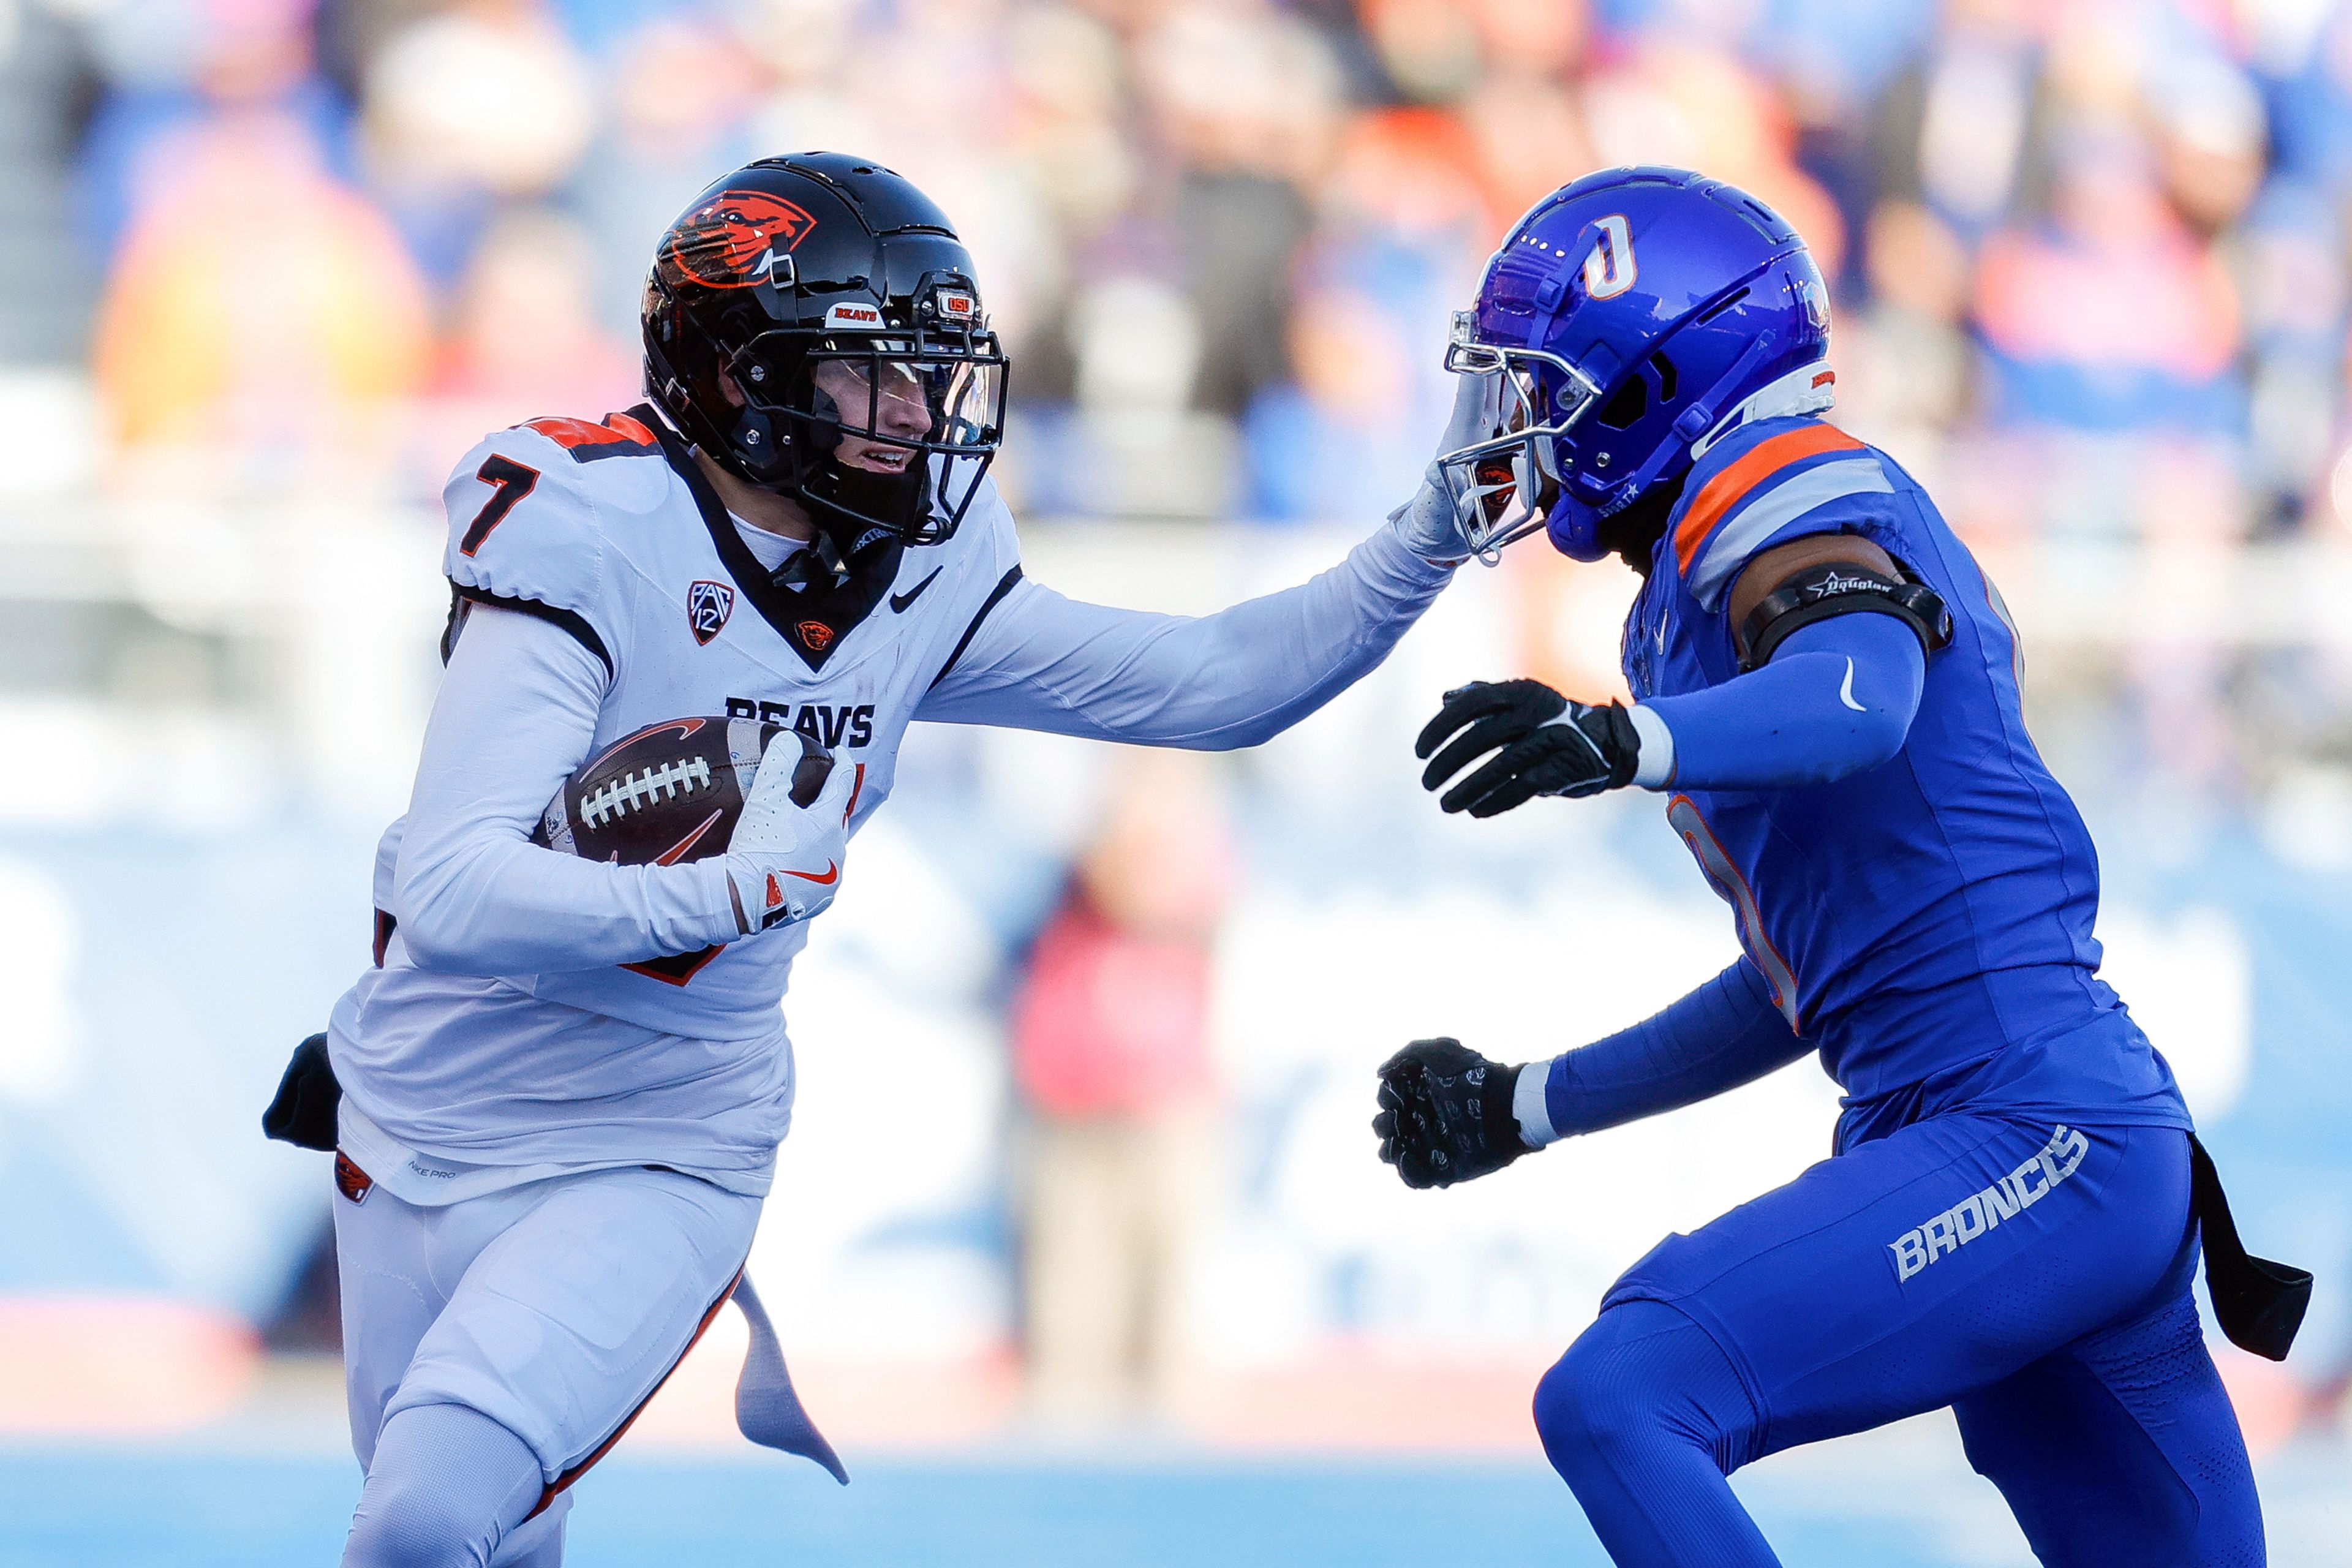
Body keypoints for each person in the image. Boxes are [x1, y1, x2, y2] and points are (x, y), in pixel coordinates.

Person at [265, 153, 1487, 1567]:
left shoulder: (922, 561)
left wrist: (1433, 531)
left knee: (419, 1523)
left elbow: (1212, 681)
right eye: (869, 371)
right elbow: (458, 892)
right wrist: (727, 887)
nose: (919, 411)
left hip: (656, 1140)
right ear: (734, 372)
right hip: (421, 1111)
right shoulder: (594, 524)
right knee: (489, 1540)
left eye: (934, 371)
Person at [1371, 165, 2306, 1568]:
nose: (1521, 423)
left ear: (1651, 380)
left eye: (1548, 383)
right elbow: (1805, 977)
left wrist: (1616, 741)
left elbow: (1861, 696)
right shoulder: (1686, 588)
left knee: (1624, 1394)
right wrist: (1533, 1101)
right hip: (2047, 1134)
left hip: (2026, 1127)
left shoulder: (1775, 477)